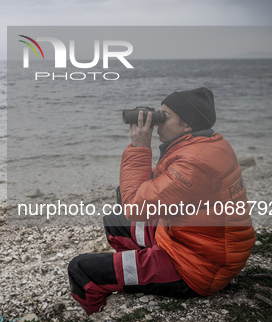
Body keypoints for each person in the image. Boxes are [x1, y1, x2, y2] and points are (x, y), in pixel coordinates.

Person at [67, 87, 255, 315]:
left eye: (163, 117)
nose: (156, 123)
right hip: (194, 243)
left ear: (187, 125)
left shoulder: (194, 163)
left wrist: (139, 147)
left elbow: (135, 207)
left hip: (197, 268)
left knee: (80, 269)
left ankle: (101, 313)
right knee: (115, 221)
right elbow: (146, 192)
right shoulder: (204, 145)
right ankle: (138, 268)